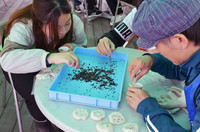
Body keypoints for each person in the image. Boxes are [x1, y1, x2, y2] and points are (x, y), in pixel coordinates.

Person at [96, 0, 200, 131]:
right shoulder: (193, 54)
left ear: (179, 40)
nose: (151, 50)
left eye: (156, 46)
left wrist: (148, 107)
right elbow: (183, 70)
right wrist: (152, 60)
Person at [0, 0, 87, 131]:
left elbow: (82, 45)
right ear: (39, 22)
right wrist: (48, 57)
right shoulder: (23, 26)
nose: (63, 31)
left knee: (69, 86)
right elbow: (7, 60)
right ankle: (43, 124)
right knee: (35, 94)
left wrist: (73, 46)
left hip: (52, 61)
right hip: (19, 64)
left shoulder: (73, 20)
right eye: (56, 27)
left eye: (67, 23)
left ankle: (62, 121)